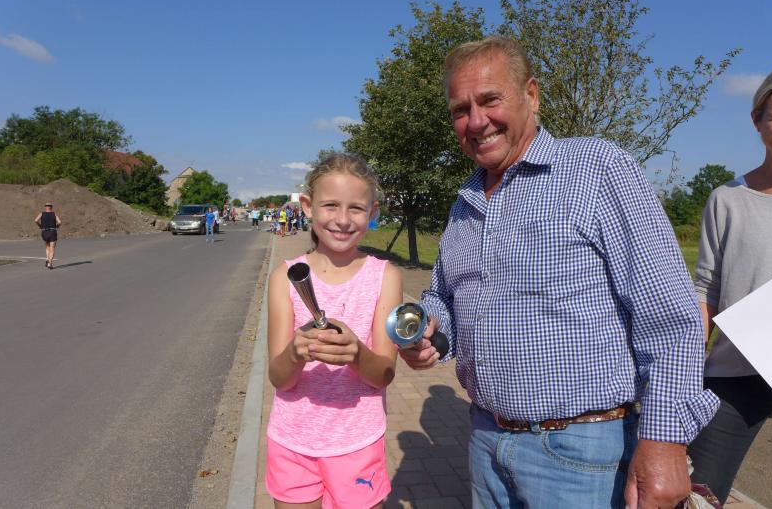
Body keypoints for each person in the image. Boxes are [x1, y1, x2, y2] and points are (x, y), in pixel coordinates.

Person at [399, 37, 717, 509]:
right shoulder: (465, 202)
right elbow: (445, 296)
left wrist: (665, 442)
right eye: (460, 110)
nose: (476, 121)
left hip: (582, 453)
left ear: (531, 95)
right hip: (486, 439)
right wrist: (429, 331)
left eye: (490, 100)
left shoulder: (597, 169)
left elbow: (669, 316)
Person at [687, 65, 772, 504]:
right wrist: (686, 368)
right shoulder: (727, 199)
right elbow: (706, 290)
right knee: (696, 493)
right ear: (757, 121)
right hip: (736, 373)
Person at [266, 153, 402, 508]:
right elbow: (279, 379)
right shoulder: (284, 276)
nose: (342, 219)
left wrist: (357, 354)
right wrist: (295, 353)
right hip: (292, 442)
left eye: (356, 208)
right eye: (330, 206)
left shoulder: (385, 277)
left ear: (372, 213)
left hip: (357, 443)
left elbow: (383, 374)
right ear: (308, 207)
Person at [34, 201, 61, 269]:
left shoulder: (41, 214)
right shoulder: (54, 214)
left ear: (45, 207)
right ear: (51, 207)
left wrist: (40, 225)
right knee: (52, 248)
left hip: (44, 232)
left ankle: (47, 259)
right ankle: (50, 263)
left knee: (47, 247)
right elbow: (60, 222)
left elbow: (36, 220)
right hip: (52, 232)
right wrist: (57, 226)